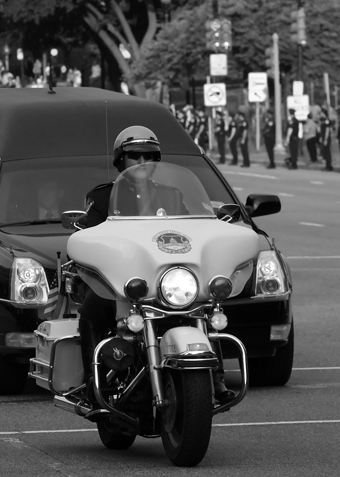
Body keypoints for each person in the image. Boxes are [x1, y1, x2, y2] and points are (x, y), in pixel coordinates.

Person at [77, 125, 236, 406]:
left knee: (206, 306)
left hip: (167, 280)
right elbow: (89, 237)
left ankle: (216, 377)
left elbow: (195, 233)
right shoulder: (102, 197)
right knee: (92, 304)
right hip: (123, 282)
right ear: (120, 161)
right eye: (134, 156)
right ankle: (93, 380)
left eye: (149, 156)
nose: (141, 162)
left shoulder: (171, 195)